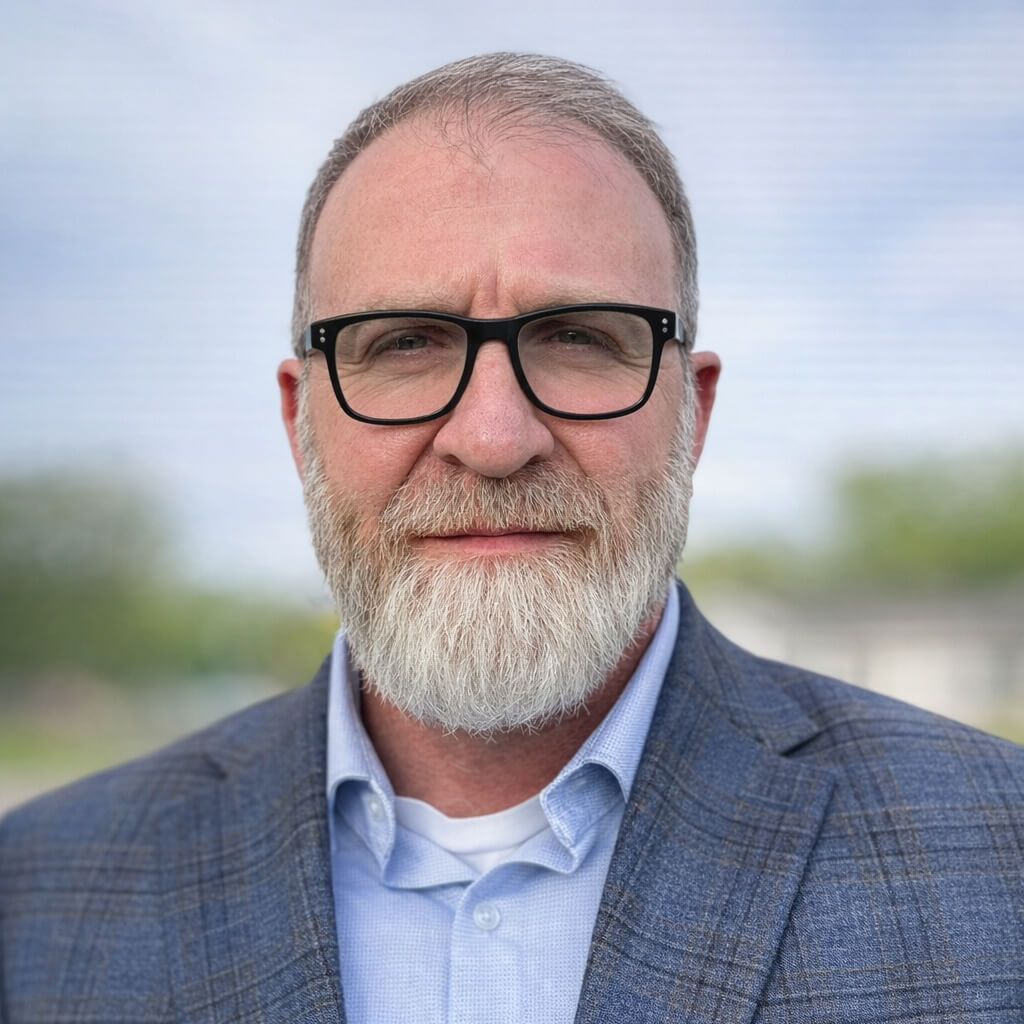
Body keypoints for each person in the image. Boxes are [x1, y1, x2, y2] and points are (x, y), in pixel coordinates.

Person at [1, 52, 1022, 1023]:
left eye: (578, 337)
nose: (492, 440)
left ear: (693, 411)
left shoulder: (999, 855)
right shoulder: (38, 891)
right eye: (404, 343)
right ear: (299, 417)